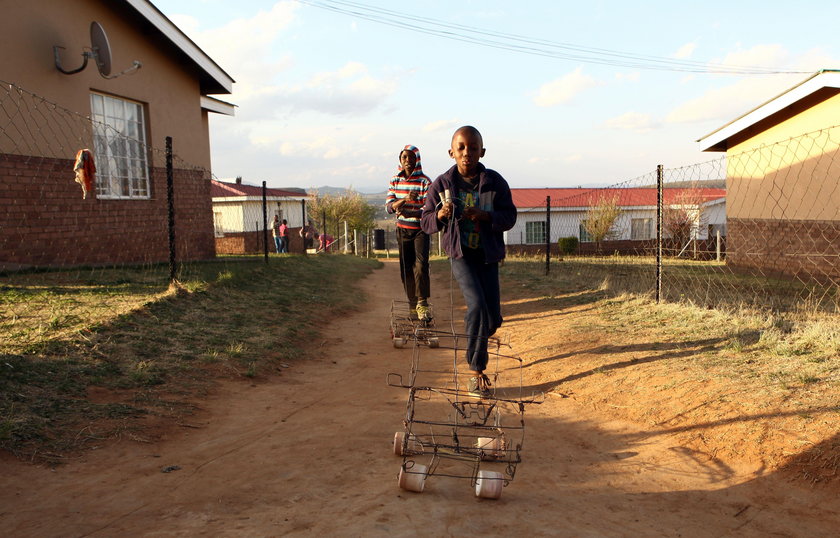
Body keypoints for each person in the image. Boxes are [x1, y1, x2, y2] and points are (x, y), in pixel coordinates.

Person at [421, 126, 516, 398]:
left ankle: (479, 331)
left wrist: (485, 216)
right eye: (461, 148)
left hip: (487, 256)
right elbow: (426, 223)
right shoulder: (441, 184)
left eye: (473, 148)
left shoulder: (494, 182)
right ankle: (476, 372)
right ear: (451, 152)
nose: (467, 153)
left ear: (482, 152)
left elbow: (509, 216)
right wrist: (440, 214)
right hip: (460, 256)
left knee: (493, 318)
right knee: (476, 306)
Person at [386, 145, 432, 321]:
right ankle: (412, 305)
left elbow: (429, 209)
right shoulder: (395, 180)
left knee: (420, 265)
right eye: (404, 157)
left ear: (417, 160)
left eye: (411, 158)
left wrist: (410, 212)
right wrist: (405, 200)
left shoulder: (425, 182)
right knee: (406, 268)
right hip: (402, 230)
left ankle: (422, 304)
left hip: (420, 229)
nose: (407, 161)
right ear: (400, 160)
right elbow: (390, 207)